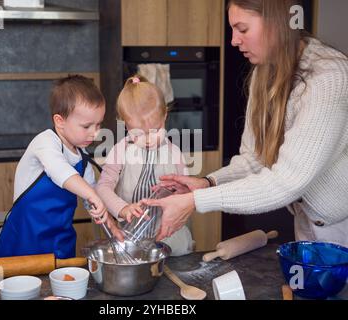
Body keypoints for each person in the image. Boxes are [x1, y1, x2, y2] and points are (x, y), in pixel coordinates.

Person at [144, 0, 348, 247]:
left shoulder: (328, 78)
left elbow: (287, 182)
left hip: (341, 226)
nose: (234, 41)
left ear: (278, 24)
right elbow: (255, 158)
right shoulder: (264, 72)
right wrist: (208, 183)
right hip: (307, 220)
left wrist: (196, 201)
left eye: (242, 29)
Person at [0, 75, 122, 259]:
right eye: (86, 126)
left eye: (98, 124)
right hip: (23, 244)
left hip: (60, 246)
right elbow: (60, 171)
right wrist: (92, 194)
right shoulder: (45, 142)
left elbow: (93, 200)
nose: (96, 132)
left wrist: (111, 225)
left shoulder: (83, 159)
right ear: (60, 121)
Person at [96, 75, 194, 256]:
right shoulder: (120, 151)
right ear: (125, 124)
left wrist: (179, 190)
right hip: (130, 239)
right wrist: (123, 208)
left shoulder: (175, 154)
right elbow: (103, 188)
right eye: (137, 134)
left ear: (165, 115)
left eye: (155, 131)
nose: (147, 140)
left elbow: (188, 196)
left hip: (169, 237)